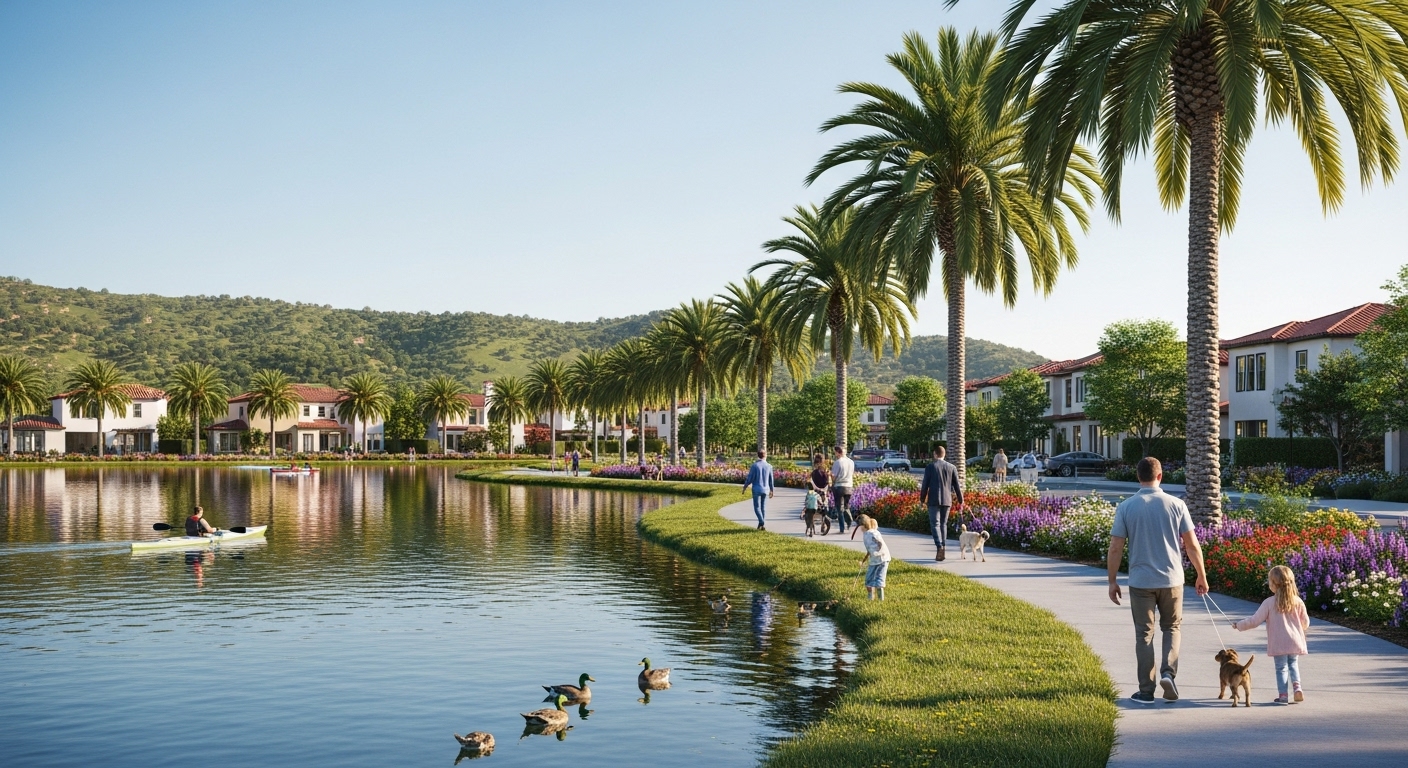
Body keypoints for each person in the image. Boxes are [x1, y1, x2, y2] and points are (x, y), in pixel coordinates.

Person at [1107, 457, 1209, 705]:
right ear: (1160, 476)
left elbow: (1115, 547)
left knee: (1144, 634)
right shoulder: (1177, 505)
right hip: (1172, 579)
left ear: (1138, 477)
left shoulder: (1126, 507)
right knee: (1172, 628)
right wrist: (1201, 575)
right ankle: (1168, 674)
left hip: (1141, 581)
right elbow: (1192, 545)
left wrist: (1112, 581)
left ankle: (1145, 691)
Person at [1232, 565, 1310, 704]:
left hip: (1278, 643)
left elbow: (1254, 621)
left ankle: (1283, 696)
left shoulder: (1269, 603)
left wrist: (1239, 625)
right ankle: (1297, 688)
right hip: (1295, 641)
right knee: (1293, 664)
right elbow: (1306, 622)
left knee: (1281, 668)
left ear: (1274, 584)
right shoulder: (1298, 601)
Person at [919, 446, 963, 561]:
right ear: (944, 454)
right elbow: (957, 486)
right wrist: (961, 500)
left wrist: (922, 500)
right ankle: (943, 546)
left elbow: (925, 485)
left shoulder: (930, 467)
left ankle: (939, 547)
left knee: (935, 524)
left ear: (935, 454)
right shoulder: (952, 467)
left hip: (933, 500)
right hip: (947, 500)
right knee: (943, 524)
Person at [856, 515, 891, 601]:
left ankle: (880, 600)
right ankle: (871, 598)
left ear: (863, 526)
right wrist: (866, 558)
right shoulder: (868, 534)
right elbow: (870, 548)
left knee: (879, 578)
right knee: (869, 579)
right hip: (875, 559)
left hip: (882, 559)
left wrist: (878, 552)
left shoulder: (871, 533)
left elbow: (879, 543)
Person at [742, 450, 775, 530]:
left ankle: (761, 522)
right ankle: (761, 525)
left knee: (756, 507)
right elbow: (771, 480)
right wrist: (772, 490)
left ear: (758, 455)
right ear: (765, 455)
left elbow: (750, 478)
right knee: (763, 507)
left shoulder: (755, 466)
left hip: (756, 489)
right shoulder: (769, 466)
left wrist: (745, 486)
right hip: (765, 489)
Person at [831, 446, 855, 534]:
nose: (835, 454)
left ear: (838, 452)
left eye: (835, 452)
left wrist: (831, 481)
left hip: (839, 486)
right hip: (849, 486)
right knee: (846, 506)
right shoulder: (851, 462)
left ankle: (842, 528)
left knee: (839, 508)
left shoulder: (837, 462)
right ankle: (849, 521)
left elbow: (834, 476)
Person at [808, 453, 832, 534]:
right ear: (823, 461)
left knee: (813, 511)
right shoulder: (826, 472)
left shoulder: (813, 473)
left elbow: (810, 484)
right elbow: (829, 484)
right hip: (824, 494)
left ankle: (812, 528)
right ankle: (823, 525)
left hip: (815, 494)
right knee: (824, 511)